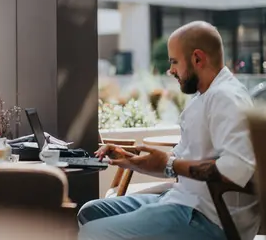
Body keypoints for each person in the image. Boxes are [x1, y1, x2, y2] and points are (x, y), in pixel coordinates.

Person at [78, 21, 260, 240]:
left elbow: (237, 168)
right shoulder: (203, 96)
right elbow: (176, 163)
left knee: (92, 232)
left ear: (197, 58)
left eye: (174, 62)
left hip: (210, 218)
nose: (170, 70)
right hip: (182, 202)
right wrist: (131, 160)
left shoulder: (228, 98)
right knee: (89, 212)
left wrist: (170, 163)